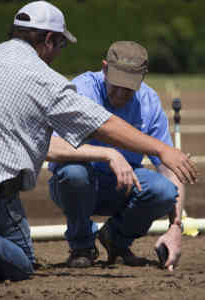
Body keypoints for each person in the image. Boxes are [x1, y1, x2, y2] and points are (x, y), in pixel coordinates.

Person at [0, 1, 198, 283]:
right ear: (49, 40)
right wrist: (157, 149)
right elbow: (104, 126)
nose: (60, 54)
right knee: (22, 261)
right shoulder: (47, 80)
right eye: (61, 45)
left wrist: (176, 225)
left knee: (161, 188)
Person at [47, 41, 189, 272]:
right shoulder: (80, 90)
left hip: (123, 183)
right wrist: (108, 154)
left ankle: (116, 240)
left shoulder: (149, 102)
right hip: (77, 184)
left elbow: (170, 166)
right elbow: (49, 146)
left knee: (164, 190)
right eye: (116, 85)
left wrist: (176, 226)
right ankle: (82, 246)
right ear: (104, 69)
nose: (121, 94)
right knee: (74, 173)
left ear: (143, 78)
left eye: (129, 88)